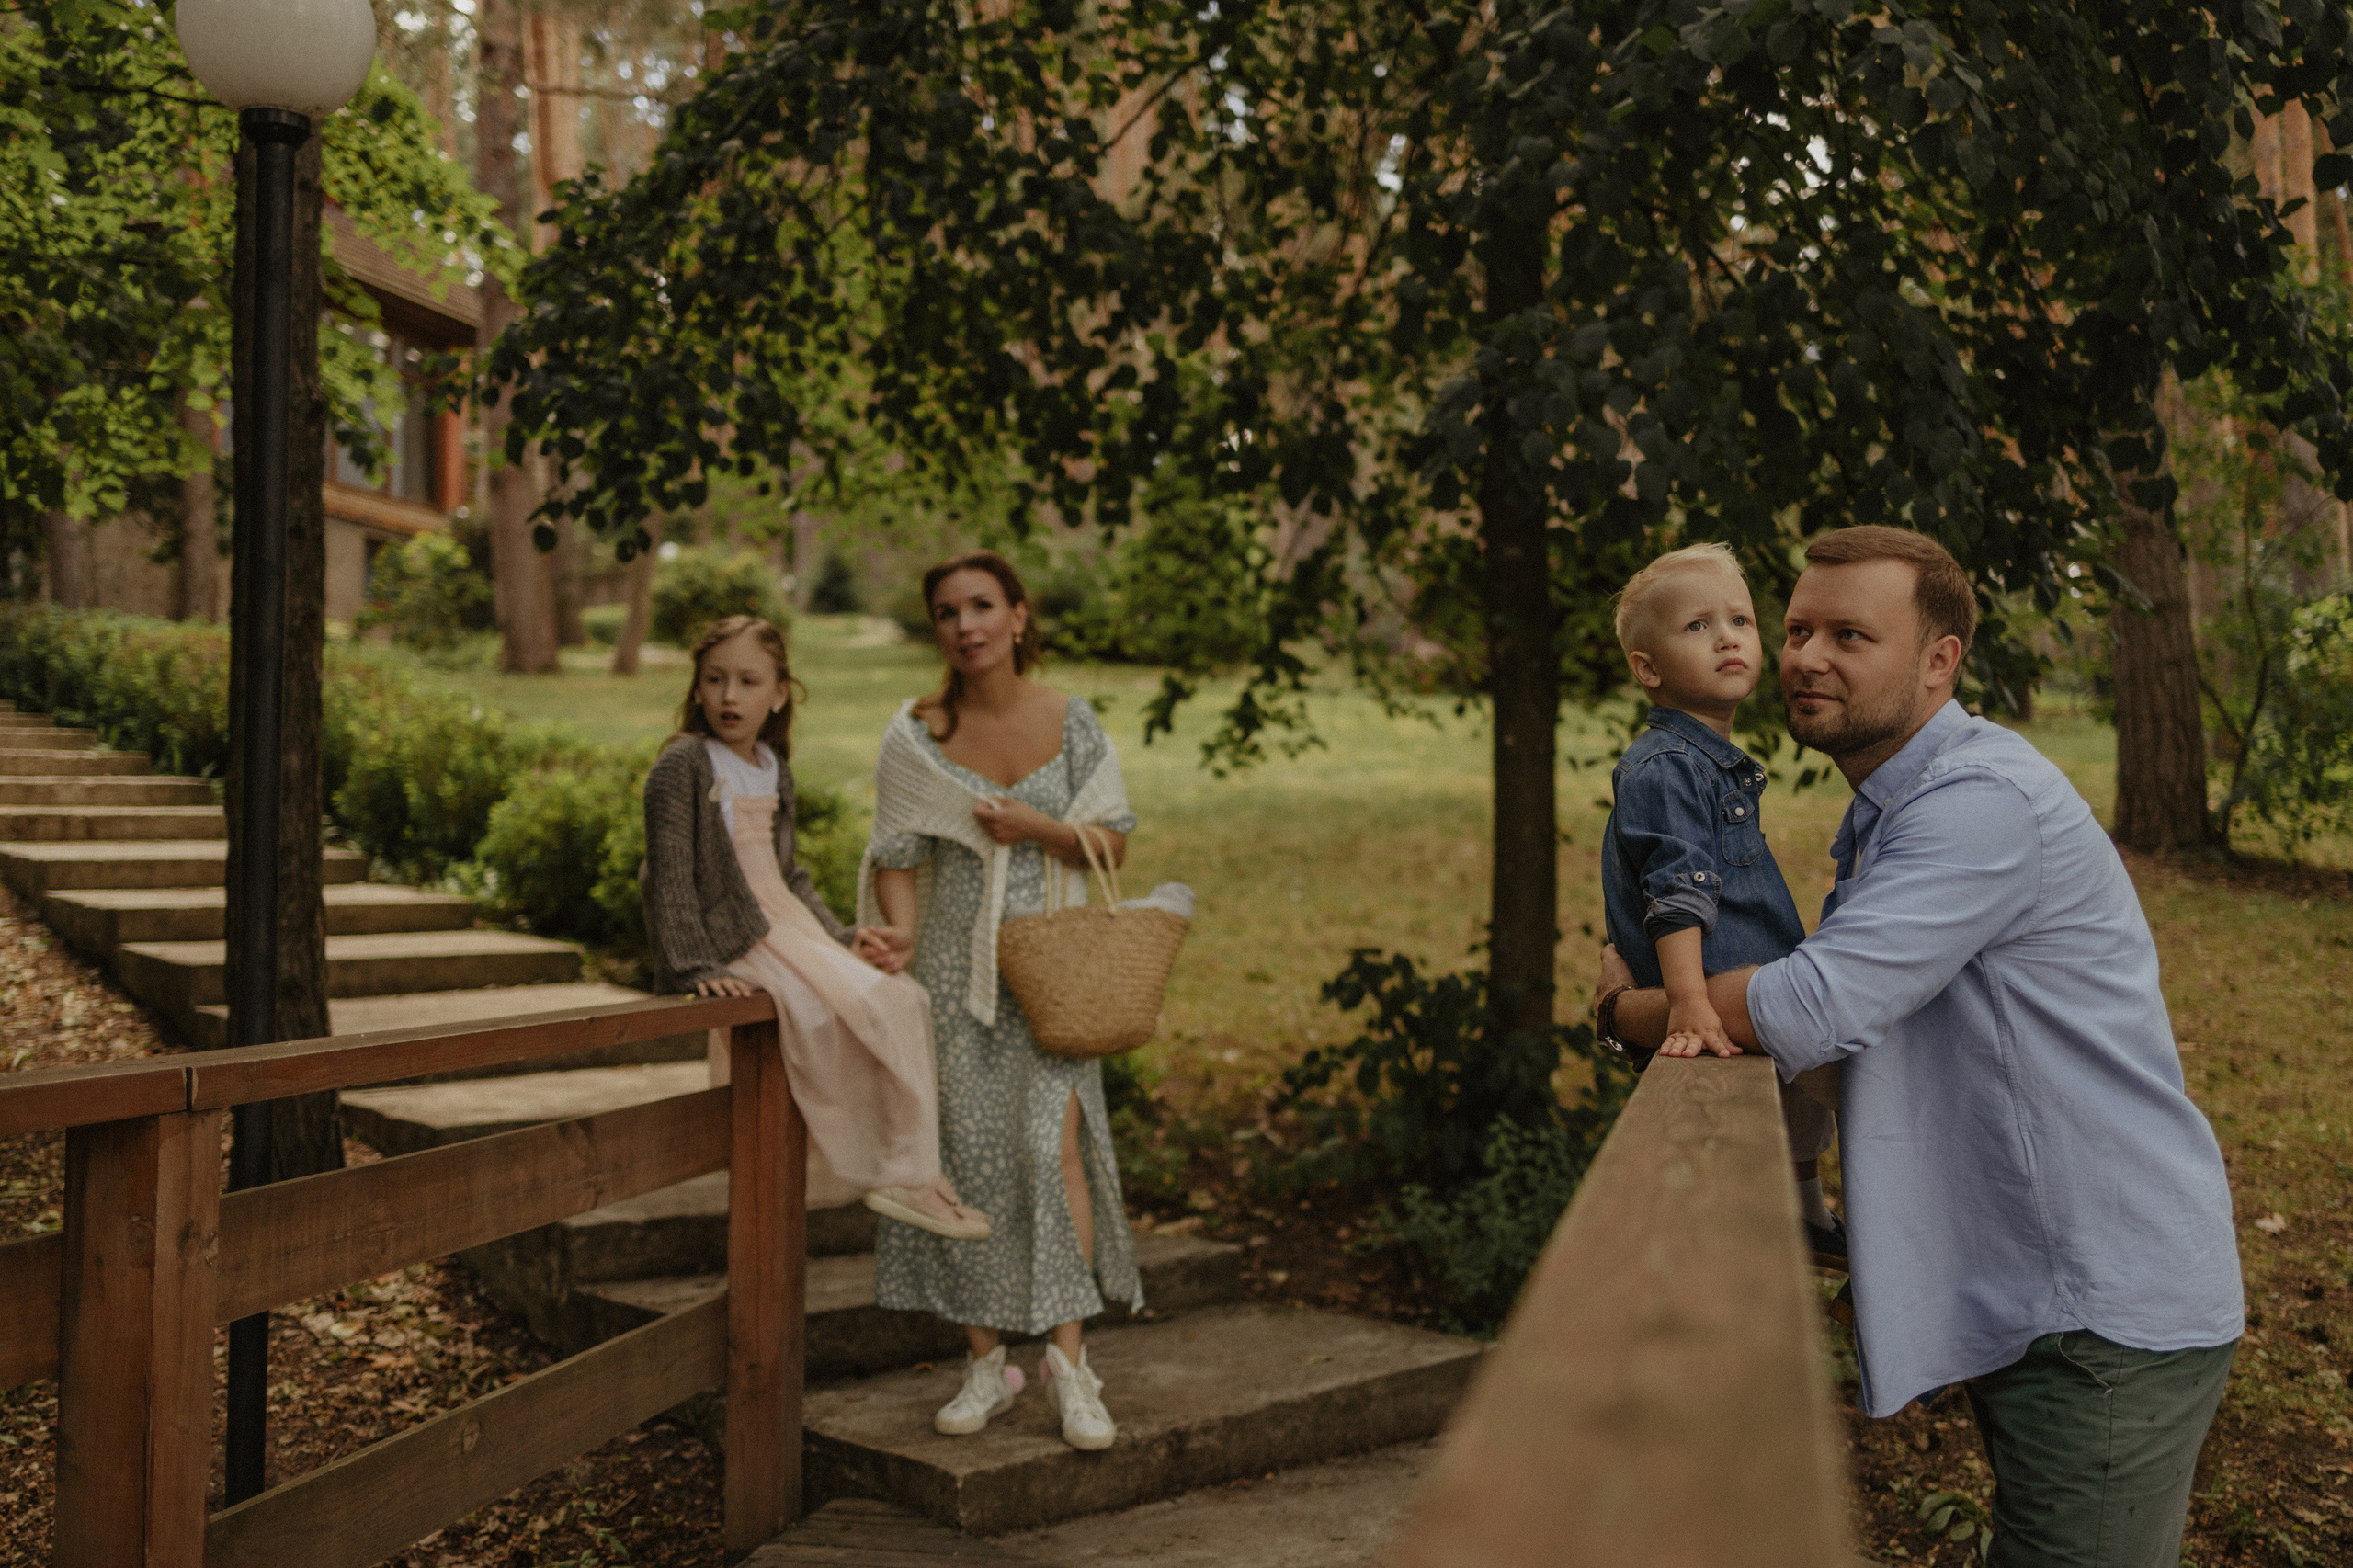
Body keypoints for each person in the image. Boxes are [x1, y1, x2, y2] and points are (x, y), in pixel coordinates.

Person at [1596, 527, 2243, 1568]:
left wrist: (1631, 1004)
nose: (1805, 655)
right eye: (1798, 626)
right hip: (2037, 1286)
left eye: (1851, 634)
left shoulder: (1980, 807)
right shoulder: (1899, 806)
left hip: (2102, 1313)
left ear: (1938, 660)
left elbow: (1812, 1004)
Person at [856, 550, 1141, 1453]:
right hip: (951, 975)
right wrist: (896, 937)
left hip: (1051, 971)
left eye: (983, 605)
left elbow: (1113, 842)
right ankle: (987, 1361)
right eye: (947, 611)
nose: (966, 624)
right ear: (936, 628)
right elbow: (897, 853)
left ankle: (1069, 1363)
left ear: (1018, 616)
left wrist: (1037, 827)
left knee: (1055, 1150)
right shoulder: (916, 730)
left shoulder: (1072, 719)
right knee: (963, 1165)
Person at [642, 614, 988, 1242]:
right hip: (735, 934)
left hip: (785, 921)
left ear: (778, 694)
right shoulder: (685, 765)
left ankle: (912, 1171)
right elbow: (667, 875)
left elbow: (788, 873)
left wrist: (836, 938)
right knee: (814, 1015)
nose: (728, 696)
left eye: (748, 682)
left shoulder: (774, 766)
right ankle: (888, 1168)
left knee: (900, 999)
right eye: (714, 679)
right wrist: (695, 966)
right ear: (696, 688)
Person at [1598, 541, 1843, 1263]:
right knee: (1861, 1076)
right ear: (1648, 668)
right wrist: (1687, 1002)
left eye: (1741, 619)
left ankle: (1805, 1207)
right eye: (1698, 626)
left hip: (1754, 983)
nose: (1730, 636)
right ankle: (1845, 1214)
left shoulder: (1714, 765)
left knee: (1807, 1101)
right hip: (1715, 996)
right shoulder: (1671, 765)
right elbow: (1678, 893)